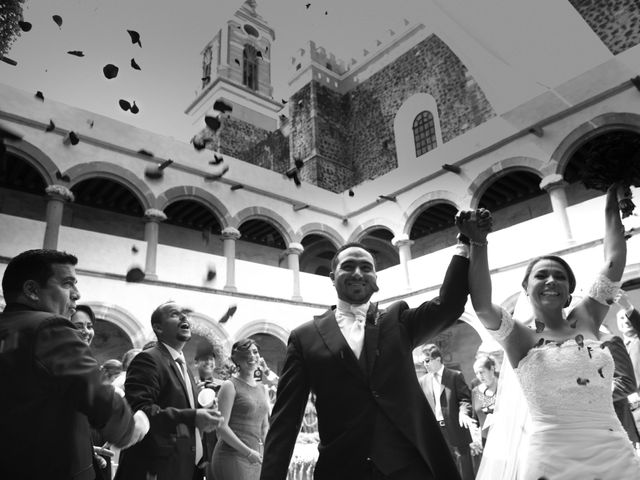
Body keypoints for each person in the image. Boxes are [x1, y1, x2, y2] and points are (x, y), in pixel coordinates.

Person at [458, 183, 640, 479]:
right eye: (541, 275)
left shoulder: (588, 318)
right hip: (552, 458)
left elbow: (614, 260)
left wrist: (610, 197)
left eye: (560, 276)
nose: (551, 280)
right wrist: (478, 243)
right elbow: (480, 306)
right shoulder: (519, 338)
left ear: (570, 291)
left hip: (613, 451)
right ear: (526, 289)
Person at [261, 238, 473, 480]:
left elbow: (449, 306)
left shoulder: (398, 321)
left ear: (375, 278)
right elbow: (285, 422)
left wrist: (464, 246)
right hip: (342, 470)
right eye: (348, 266)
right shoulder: (304, 338)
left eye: (366, 267)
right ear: (332, 277)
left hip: (411, 469)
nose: (358, 273)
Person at [0, 249, 148, 480]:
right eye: (68, 283)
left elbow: (30, 415)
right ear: (32, 290)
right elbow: (100, 398)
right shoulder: (49, 327)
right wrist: (133, 427)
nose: (77, 294)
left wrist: (85, 450)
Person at [115, 301, 224, 480]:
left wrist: (205, 411)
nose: (184, 317)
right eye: (174, 314)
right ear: (158, 328)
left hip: (186, 466)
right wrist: (193, 416)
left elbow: (177, 405)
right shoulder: (148, 360)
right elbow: (141, 410)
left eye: (184, 314)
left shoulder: (184, 366)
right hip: (156, 468)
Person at [212, 338, 270, 480]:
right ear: (236, 359)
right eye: (246, 353)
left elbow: (264, 426)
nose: (251, 356)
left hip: (256, 457)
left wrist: (269, 452)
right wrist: (248, 452)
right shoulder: (229, 385)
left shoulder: (263, 388)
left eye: (255, 352)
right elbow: (221, 427)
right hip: (231, 455)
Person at [418, 344, 475, 480]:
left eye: (427, 361)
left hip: (455, 428)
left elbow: (465, 399)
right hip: (436, 431)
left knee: (464, 469)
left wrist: (463, 412)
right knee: (444, 468)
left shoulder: (455, 376)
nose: (425, 365)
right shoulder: (422, 381)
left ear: (437, 359)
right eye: (422, 362)